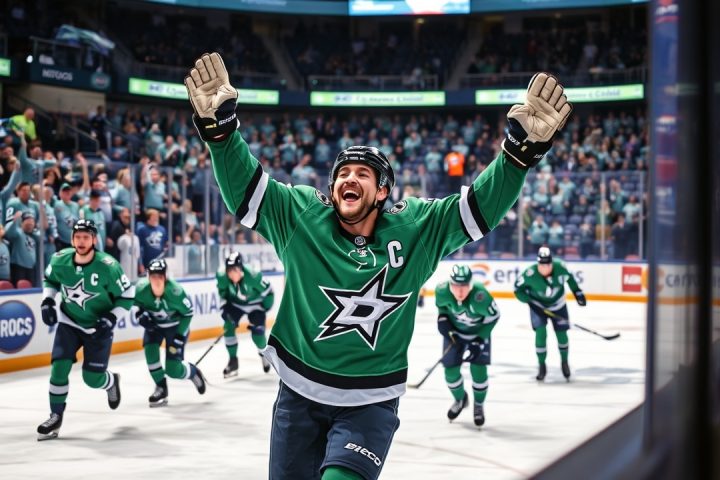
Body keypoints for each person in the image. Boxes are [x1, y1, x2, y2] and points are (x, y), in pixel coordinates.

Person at [185, 53, 571, 480]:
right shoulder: (301, 217)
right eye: (343, 173)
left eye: (362, 174)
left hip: (370, 402)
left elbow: (479, 208)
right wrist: (221, 133)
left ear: (383, 191)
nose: (349, 179)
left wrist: (517, 155)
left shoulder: (416, 229)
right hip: (298, 392)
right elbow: (246, 191)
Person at [37, 219, 133, 440]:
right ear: (72, 239)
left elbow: (127, 295)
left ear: (94, 240)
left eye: (86, 237)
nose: (81, 241)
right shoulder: (60, 259)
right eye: (78, 237)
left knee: (92, 379)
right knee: (59, 368)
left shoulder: (108, 266)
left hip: (97, 327)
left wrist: (111, 318)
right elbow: (50, 280)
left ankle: (111, 381)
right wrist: (47, 301)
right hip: (69, 322)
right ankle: (55, 416)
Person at [133, 258, 206, 407]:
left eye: (160, 276)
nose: (157, 280)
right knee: (150, 353)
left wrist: (180, 336)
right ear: (148, 277)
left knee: (173, 370)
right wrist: (140, 314)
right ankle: (161, 388)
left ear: (165, 276)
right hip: (155, 328)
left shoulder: (176, 291)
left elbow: (188, 313)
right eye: (153, 276)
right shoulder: (140, 289)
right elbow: (131, 303)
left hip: (175, 328)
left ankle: (193, 372)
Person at [435, 264, 499, 427]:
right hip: (454, 334)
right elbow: (442, 308)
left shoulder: (481, 296)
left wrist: (480, 339)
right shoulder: (442, 291)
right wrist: (443, 319)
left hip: (478, 334)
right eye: (456, 285)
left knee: (478, 370)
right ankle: (460, 399)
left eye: (464, 286)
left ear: (470, 284)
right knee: (450, 372)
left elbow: (493, 317)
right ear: (450, 284)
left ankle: (479, 405)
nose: (460, 291)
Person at [513, 247, 586, 382]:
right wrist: (530, 302)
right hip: (538, 307)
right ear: (537, 263)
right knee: (541, 333)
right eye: (542, 264)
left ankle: (564, 362)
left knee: (562, 334)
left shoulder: (561, 267)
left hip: (558, 305)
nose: (545, 267)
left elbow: (570, 278)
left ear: (552, 263)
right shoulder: (529, 274)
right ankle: (541, 365)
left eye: (547, 264)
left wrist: (577, 292)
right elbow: (517, 290)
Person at [216, 251, 274, 377]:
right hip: (236, 304)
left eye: (235, 270)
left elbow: (269, 292)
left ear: (241, 268)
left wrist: (264, 310)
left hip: (256, 305)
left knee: (258, 334)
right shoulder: (222, 277)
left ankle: (264, 354)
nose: (232, 274)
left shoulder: (253, 276)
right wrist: (225, 310)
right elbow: (222, 294)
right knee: (228, 327)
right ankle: (233, 362)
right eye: (229, 270)